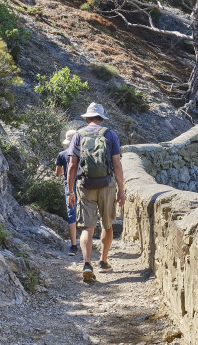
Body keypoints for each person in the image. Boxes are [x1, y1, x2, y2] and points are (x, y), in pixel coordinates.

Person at [66, 102, 126, 283]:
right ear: (101, 119)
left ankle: (86, 264)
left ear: (87, 118)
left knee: (87, 227)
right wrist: (121, 190)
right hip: (107, 185)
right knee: (107, 225)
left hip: (85, 185)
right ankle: (103, 261)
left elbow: (71, 166)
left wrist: (70, 192)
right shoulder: (110, 135)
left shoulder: (78, 135)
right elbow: (117, 164)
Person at [55, 129, 79, 255]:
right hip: (83, 185)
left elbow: (58, 174)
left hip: (69, 187)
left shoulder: (62, 154)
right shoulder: (83, 153)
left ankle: (73, 246)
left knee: (71, 214)